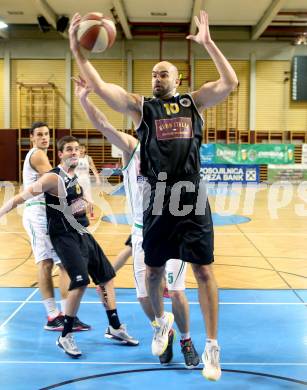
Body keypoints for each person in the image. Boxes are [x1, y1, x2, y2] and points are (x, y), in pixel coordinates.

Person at [69, 10, 238, 380]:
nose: (156, 77)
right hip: (158, 198)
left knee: (204, 271)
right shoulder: (141, 107)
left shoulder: (194, 103)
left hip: (191, 194)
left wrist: (208, 43)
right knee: (152, 273)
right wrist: (76, 49)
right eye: (153, 74)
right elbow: (100, 88)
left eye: (163, 73)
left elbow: (230, 81)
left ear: (178, 79)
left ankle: (211, 347)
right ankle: (162, 324)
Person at [75, 77, 199, 368]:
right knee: (144, 295)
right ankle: (162, 328)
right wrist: (84, 99)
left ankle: (186, 339)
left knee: (177, 291)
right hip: (143, 231)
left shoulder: (175, 149)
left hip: (173, 229)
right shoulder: (134, 147)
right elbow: (104, 125)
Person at [0, 135, 139, 358]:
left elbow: (75, 198)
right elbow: (19, 198)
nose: (74, 152)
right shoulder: (52, 178)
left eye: (77, 149)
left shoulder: (74, 176)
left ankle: (114, 327)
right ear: (61, 154)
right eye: (69, 150)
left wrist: (86, 204)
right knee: (81, 281)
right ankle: (65, 335)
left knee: (106, 277)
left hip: (82, 233)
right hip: (64, 237)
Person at [22, 121, 89, 332]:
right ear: (31, 138)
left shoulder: (44, 155)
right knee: (46, 262)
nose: (44, 138)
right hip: (36, 213)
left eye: (46, 134)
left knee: (63, 264)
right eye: (39, 134)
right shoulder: (37, 154)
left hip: (50, 213)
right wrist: (80, 199)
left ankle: (68, 314)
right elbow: (58, 179)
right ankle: (53, 315)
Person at [75, 143, 101, 218]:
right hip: (77, 180)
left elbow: (94, 169)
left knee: (88, 197)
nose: (81, 150)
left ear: (85, 149)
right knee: (77, 198)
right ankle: (78, 213)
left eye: (83, 148)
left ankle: (91, 212)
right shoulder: (74, 158)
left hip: (86, 180)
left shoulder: (88, 158)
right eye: (80, 148)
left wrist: (98, 179)